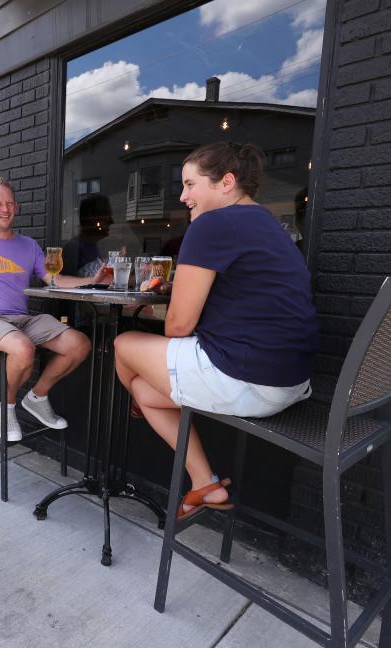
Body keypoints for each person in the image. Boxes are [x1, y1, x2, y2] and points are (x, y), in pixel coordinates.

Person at [113, 142, 318, 519]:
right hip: (291, 382)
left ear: (226, 182)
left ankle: (135, 405)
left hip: (248, 379)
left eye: (191, 185)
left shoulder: (212, 223)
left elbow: (178, 326)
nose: (182, 195)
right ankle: (204, 484)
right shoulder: (270, 224)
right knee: (144, 389)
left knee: (124, 344)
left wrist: (172, 301)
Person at [0, 177, 110, 441]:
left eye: (9, 203)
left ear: (16, 206)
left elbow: (53, 280)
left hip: (22, 320)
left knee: (79, 344)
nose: (5, 209)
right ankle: (6, 408)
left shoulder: (28, 245)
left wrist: (90, 281)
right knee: (23, 347)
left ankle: (37, 397)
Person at [63, 193, 113, 276]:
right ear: (92, 218)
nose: (111, 221)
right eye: (107, 215)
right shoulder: (73, 248)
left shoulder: (92, 246)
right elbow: (65, 284)